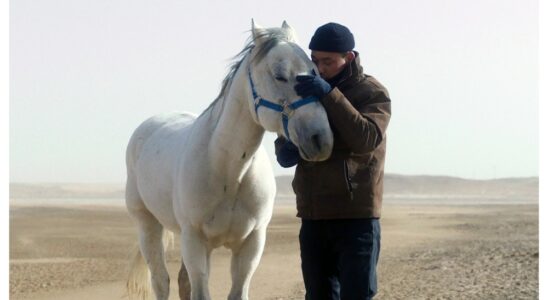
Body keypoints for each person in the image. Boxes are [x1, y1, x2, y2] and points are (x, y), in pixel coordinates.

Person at [275, 22, 391, 299]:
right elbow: (287, 128)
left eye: (328, 61)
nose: (320, 67)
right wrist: (285, 147)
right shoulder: (303, 89)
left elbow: (366, 138)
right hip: (314, 216)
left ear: (348, 57)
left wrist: (329, 94)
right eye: (315, 60)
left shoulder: (371, 92)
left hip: (356, 217)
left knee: (357, 294)